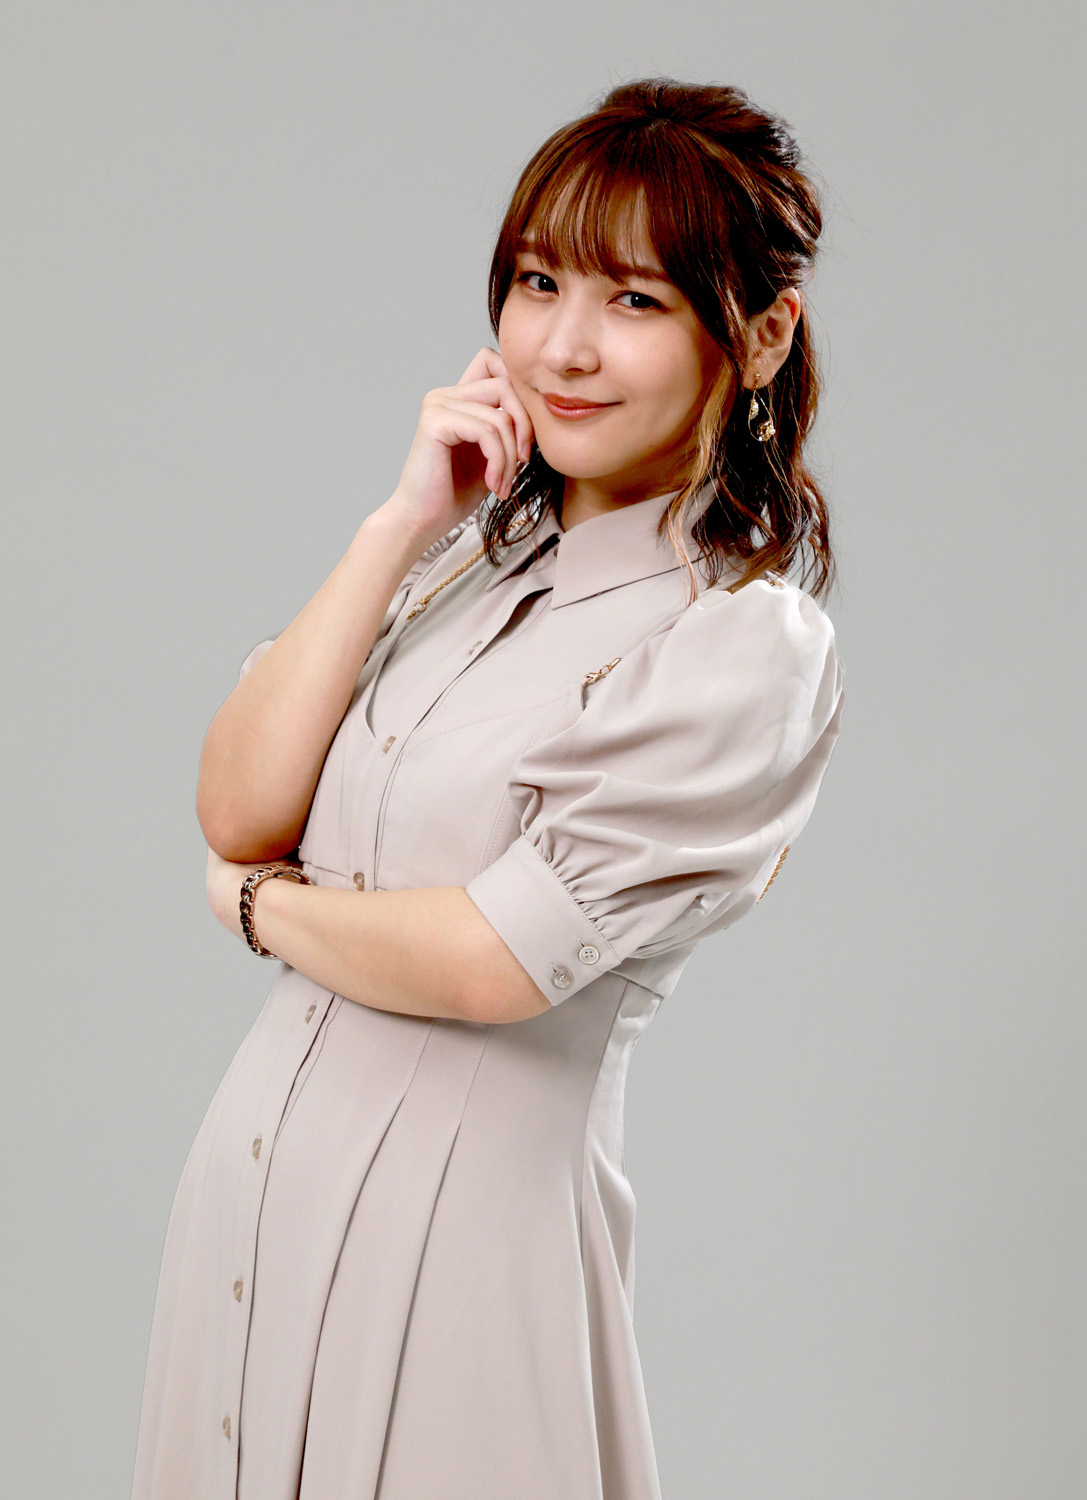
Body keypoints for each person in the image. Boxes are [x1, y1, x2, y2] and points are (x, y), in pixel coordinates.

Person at [130, 76, 845, 1500]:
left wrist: (258, 910)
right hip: (250, 1216)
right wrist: (401, 523)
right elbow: (237, 801)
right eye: (537, 282)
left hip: (458, 1255)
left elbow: (495, 960)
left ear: (761, 336)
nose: (565, 347)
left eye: (635, 300)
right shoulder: (462, 566)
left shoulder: (736, 645)